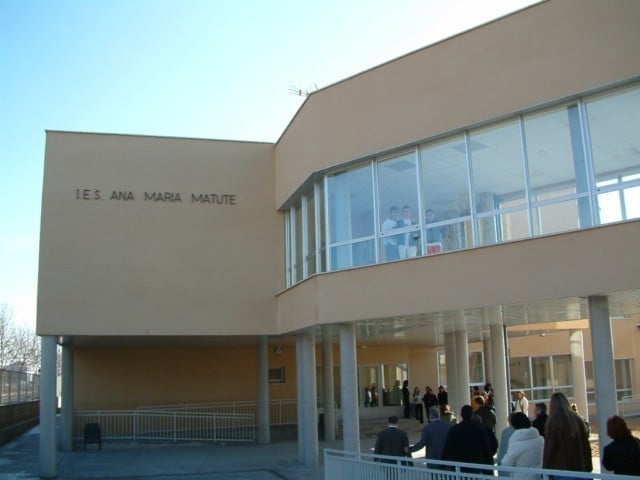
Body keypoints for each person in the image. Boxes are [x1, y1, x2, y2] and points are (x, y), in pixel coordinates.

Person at [543, 392, 592, 476]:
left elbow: (549, 449)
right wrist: (589, 467)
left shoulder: (553, 423)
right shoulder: (578, 420)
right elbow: (586, 446)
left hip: (561, 470)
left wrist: (546, 470)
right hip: (580, 468)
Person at [442, 405, 493, 473]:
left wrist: (442, 463)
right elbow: (486, 448)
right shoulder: (479, 430)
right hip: (475, 466)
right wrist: (489, 466)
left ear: (461, 415)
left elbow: (447, 448)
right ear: (472, 415)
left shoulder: (454, 430)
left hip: (459, 467)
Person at [501, 412, 544, 480]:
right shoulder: (540, 440)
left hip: (521, 477)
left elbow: (506, 463)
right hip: (538, 476)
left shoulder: (516, 444)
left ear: (514, 425)